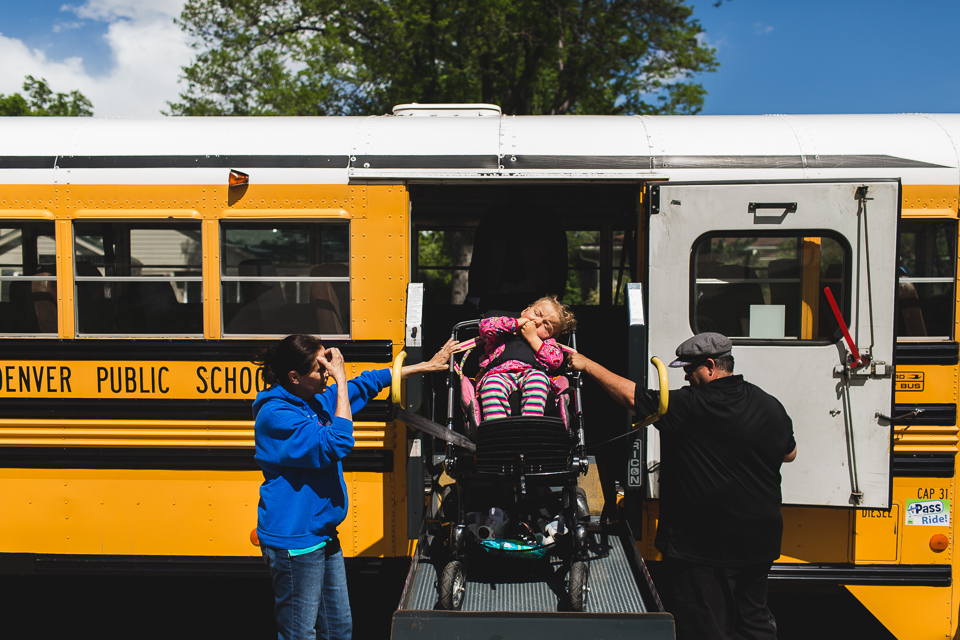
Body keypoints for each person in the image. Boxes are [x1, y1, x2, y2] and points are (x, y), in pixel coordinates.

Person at [568, 332, 797, 640]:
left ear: (711, 367)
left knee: (704, 627)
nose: (686, 377)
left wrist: (586, 364)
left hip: (702, 548)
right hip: (759, 543)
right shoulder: (769, 404)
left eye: (690, 370)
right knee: (754, 622)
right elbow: (789, 453)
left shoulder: (689, 404)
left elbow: (632, 397)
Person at [252, 334, 456, 640]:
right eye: (320, 369)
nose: (328, 374)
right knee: (299, 634)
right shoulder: (277, 415)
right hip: (295, 540)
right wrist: (341, 382)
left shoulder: (312, 400)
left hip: (321, 533)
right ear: (294, 377)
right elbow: (338, 443)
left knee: (338, 629)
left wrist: (425, 366)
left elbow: (368, 382)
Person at [476, 296, 576, 420]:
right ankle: (497, 426)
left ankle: (530, 422)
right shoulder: (502, 332)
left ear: (551, 336)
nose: (538, 322)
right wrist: (516, 323)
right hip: (498, 373)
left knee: (538, 381)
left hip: (531, 373)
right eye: (537, 314)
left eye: (547, 326)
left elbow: (555, 361)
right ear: (525, 311)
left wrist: (533, 338)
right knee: (491, 386)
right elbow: (485, 327)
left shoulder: (547, 344)